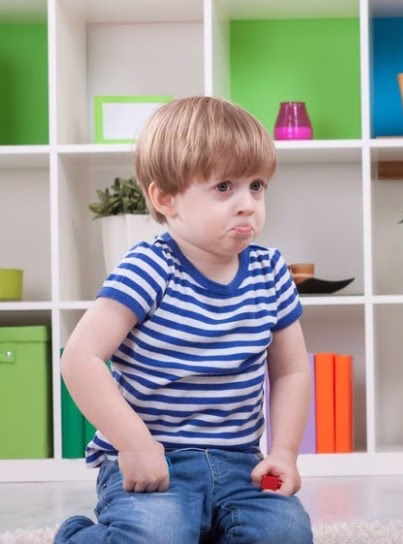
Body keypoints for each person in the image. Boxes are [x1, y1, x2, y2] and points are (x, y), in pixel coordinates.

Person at [55, 96, 313, 543]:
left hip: (241, 465)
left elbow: (290, 370)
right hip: (155, 462)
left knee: (286, 533)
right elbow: (80, 359)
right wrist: (134, 444)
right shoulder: (149, 267)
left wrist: (285, 453)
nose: (247, 204)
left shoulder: (271, 271)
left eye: (257, 186)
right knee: (155, 535)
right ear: (165, 198)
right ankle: (78, 536)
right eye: (223, 188)